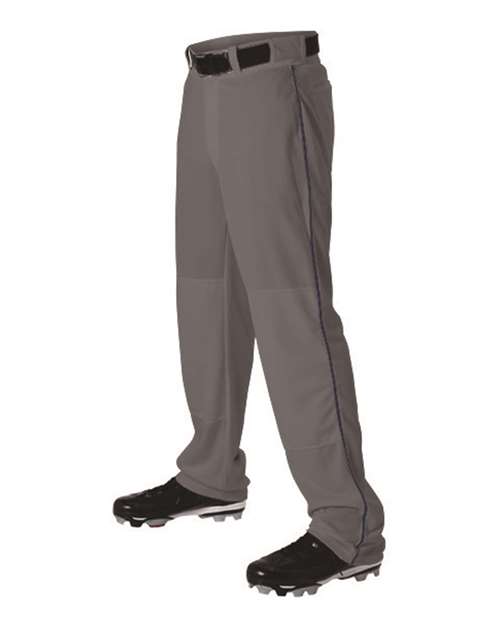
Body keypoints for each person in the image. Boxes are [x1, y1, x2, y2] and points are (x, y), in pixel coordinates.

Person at [114, 31, 385, 597]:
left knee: (290, 304)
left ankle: (345, 526)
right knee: (205, 290)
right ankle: (211, 473)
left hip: (272, 80)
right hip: (201, 85)